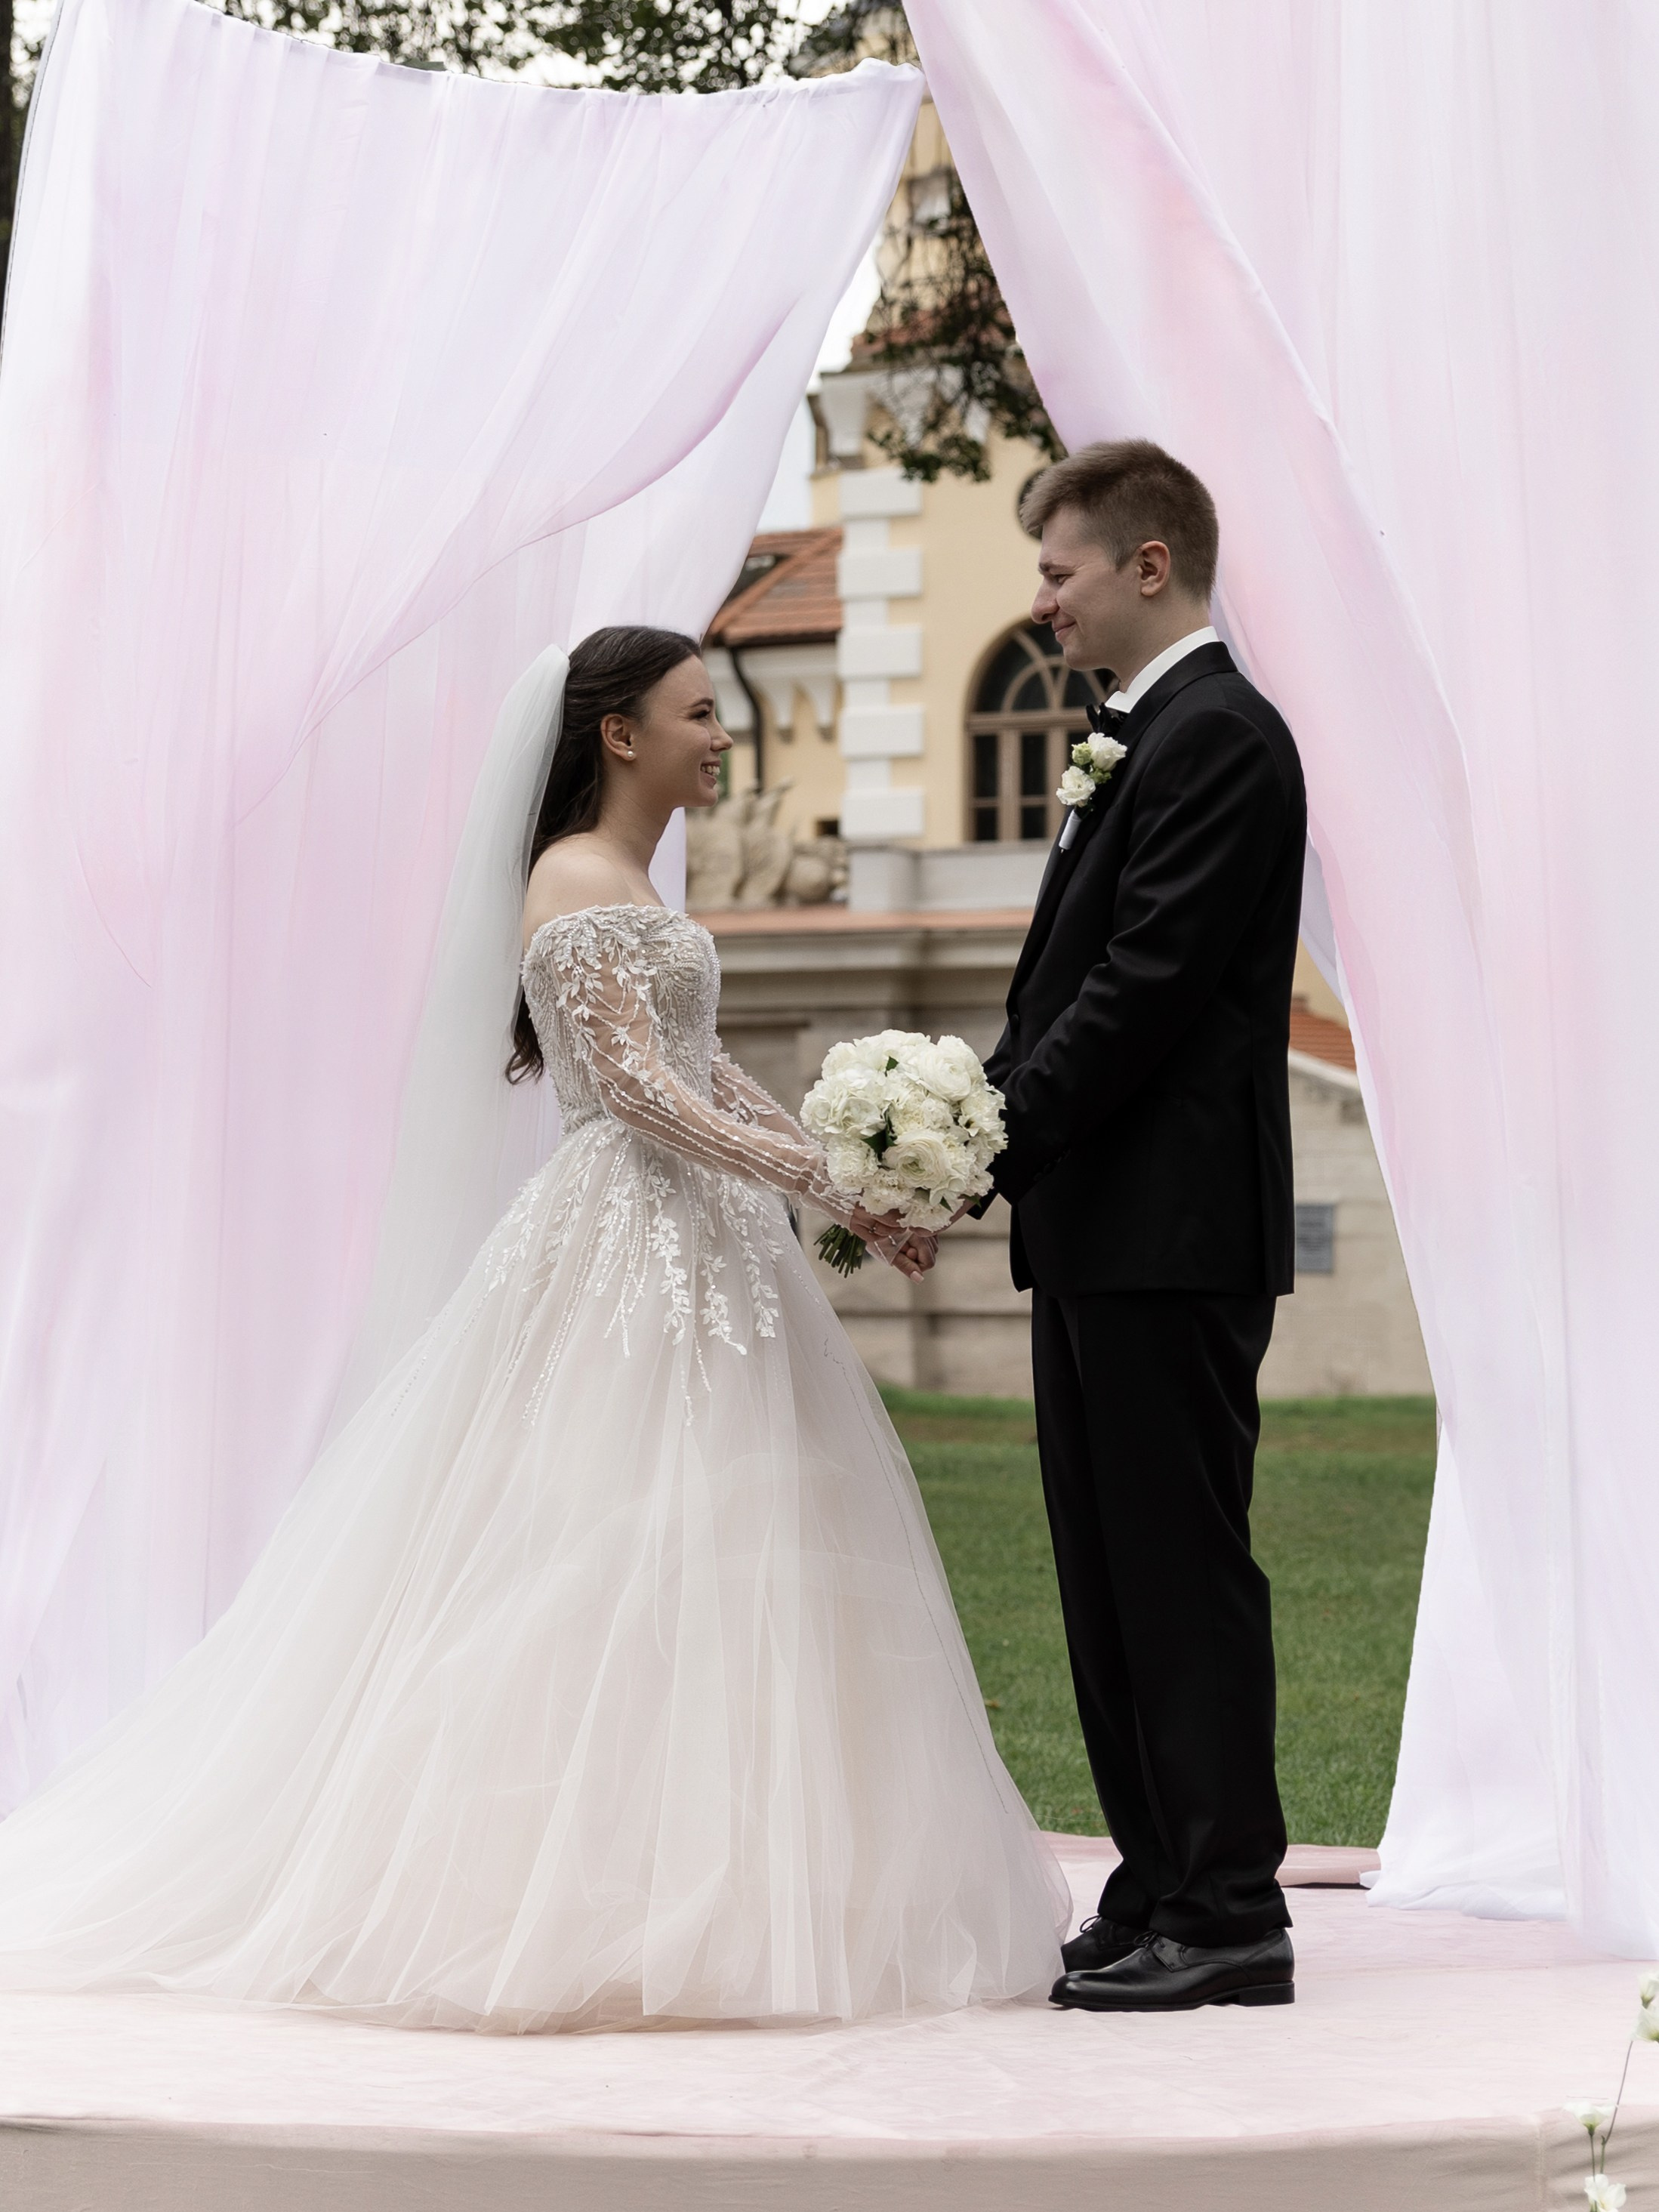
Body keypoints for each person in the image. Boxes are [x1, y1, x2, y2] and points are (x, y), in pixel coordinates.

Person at [0, 625, 1068, 2032]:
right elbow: (632, 1091)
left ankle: (718, 1883)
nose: (721, 736)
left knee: (738, 1543)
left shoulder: (639, 880)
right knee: (595, 1546)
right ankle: (547, 1892)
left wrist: (856, 1188)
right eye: (697, 713)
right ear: (620, 734)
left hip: (709, 1241)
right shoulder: (571, 875)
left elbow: (701, 1068)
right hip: (621, 1238)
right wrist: (819, 1178)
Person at [949, 441, 1306, 2013]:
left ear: (1145, 565)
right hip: (1101, 1228)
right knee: (1105, 1576)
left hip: (1171, 1230)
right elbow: (1061, 992)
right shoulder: (1138, 733)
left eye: (1057, 570)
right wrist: (970, 1134)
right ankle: (1156, 1878)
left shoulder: (1219, 735)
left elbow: (1144, 988)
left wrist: (985, 1141)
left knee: (1177, 1571)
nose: (1044, 601)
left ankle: (1229, 1909)